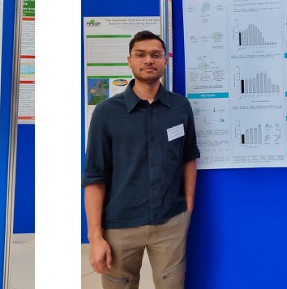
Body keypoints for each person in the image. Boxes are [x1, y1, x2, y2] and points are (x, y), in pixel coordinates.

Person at [82, 30, 200, 289]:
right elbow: (94, 177)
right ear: (129, 60)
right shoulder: (106, 113)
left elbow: (189, 156)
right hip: (120, 227)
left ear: (165, 62)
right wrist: (95, 236)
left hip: (170, 223)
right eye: (141, 55)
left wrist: (188, 206)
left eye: (156, 55)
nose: (149, 60)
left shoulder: (180, 108)